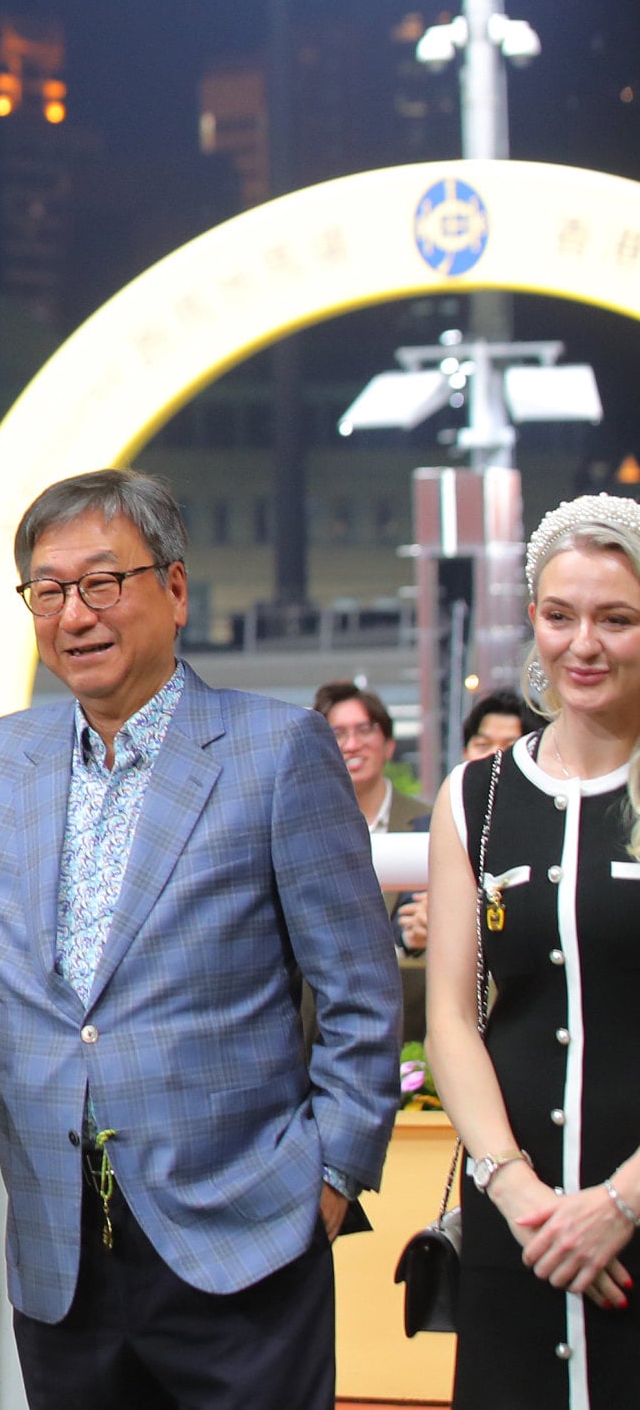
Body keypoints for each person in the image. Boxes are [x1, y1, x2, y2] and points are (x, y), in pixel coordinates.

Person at [0, 468, 401, 1410]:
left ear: (173, 589)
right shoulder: (0, 758)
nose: (73, 612)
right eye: (47, 589)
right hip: (59, 1242)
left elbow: (360, 987)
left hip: (243, 1229)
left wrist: (332, 1176)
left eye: (100, 582)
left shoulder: (275, 750)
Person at [424, 494, 640, 1408]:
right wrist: (518, 1197)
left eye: (616, 618)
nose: (582, 644)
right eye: (559, 616)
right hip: (518, 1231)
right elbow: (449, 1019)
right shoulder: (472, 796)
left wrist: (618, 1204)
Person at [397, 690, 547, 958]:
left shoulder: (549, 823)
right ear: (465, 751)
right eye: (483, 744)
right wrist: (416, 931)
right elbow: (401, 923)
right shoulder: (429, 827)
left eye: (510, 745)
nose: (495, 757)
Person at [314, 681, 429, 834]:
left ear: (389, 745)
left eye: (364, 730)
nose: (352, 745)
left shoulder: (429, 822)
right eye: (337, 733)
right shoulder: (306, 826)